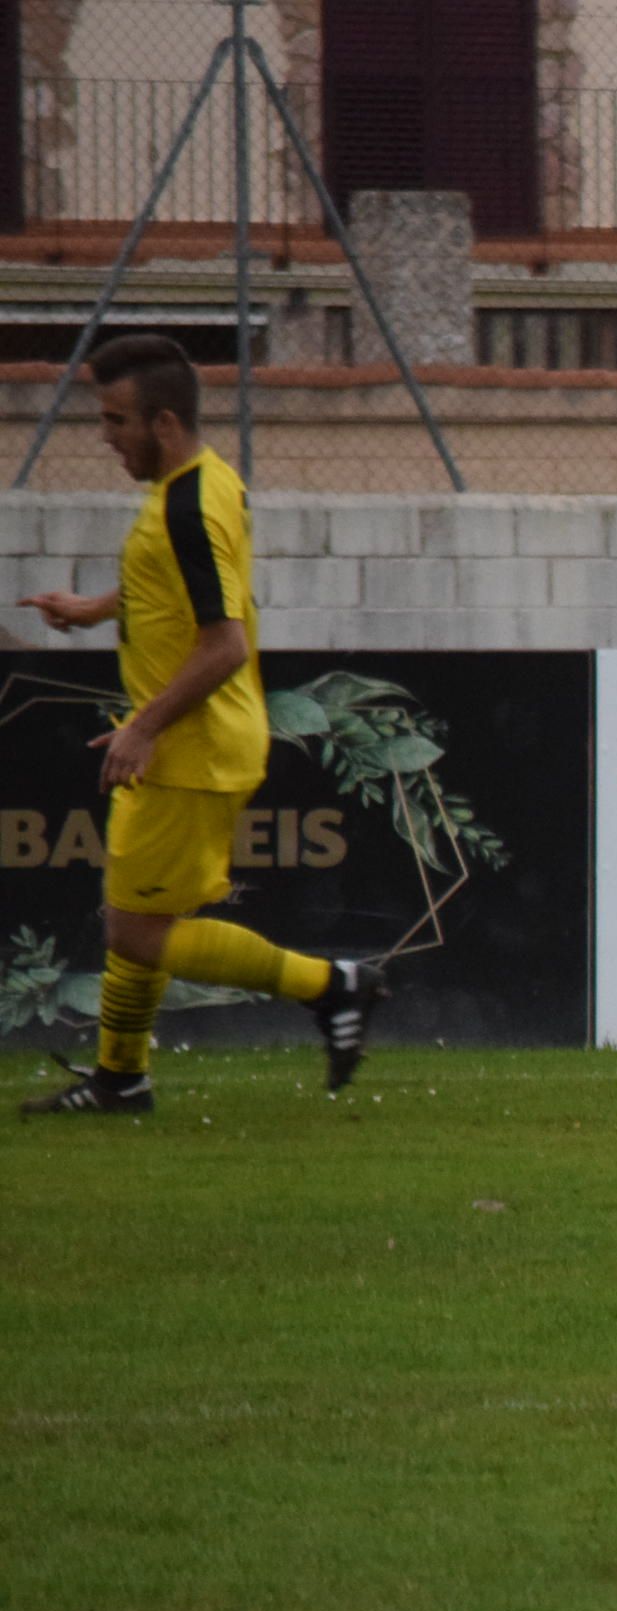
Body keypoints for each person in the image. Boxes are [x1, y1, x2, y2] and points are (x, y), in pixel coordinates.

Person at [17, 333, 382, 1116]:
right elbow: (187, 593)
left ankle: (333, 985)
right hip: (194, 742)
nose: (106, 437)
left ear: (166, 423)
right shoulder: (209, 483)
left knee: (137, 933)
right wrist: (96, 608)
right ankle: (122, 1080)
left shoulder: (185, 504)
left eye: (118, 421)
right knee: (140, 913)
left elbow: (224, 644)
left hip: (190, 747)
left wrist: (143, 727)